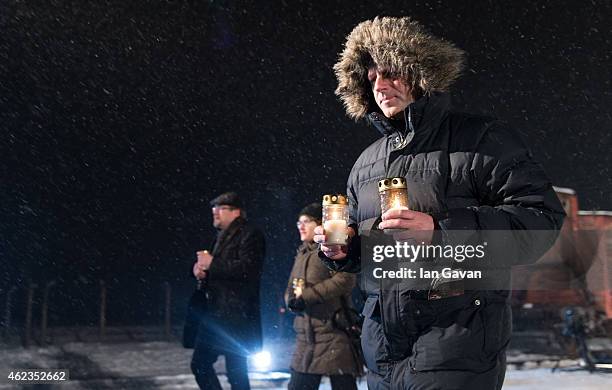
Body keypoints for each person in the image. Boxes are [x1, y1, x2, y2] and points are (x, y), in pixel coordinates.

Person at [315, 16, 566, 389]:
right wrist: (345, 249)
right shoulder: (365, 164)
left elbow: (541, 221)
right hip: (382, 352)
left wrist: (441, 232)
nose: (381, 87)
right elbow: (371, 251)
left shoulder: (480, 138)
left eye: (391, 73)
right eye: (371, 80)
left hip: (457, 344)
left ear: (420, 73)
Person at [190, 192, 265, 390]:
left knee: (236, 371)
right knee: (201, 364)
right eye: (214, 208)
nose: (215, 212)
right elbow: (221, 270)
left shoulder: (250, 234)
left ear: (236, 212)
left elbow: (249, 269)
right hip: (216, 313)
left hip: (236, 315)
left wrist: (213, 263)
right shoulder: (220, 237)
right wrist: (201, 273)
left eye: (221, 208)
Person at [285, 203, 362, 390]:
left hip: (333, 333)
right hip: (306, 336)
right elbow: (290, 287)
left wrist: (308, 297)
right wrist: (291, 300)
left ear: (319, 224)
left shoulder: (330, 248)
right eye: (298, 223)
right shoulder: (302, 253)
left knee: (343, 385)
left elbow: (345, 279)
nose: (301, 227)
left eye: (306, 222)